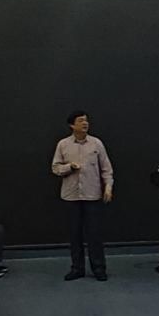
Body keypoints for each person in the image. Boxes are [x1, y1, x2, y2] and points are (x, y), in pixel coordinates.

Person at [51, 110, 114, 281]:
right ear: (72, 125)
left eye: (86, 120)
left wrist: (108, 187)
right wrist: (69, 167)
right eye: (80, 121)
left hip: (92, 196)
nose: (85, 123)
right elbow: (55, 168)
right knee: (74, 235)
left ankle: (98, 268)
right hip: (71, 197)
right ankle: (77, 268)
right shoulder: (63, 145)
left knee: (94, 235)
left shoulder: (96, 144)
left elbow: (106, 169)